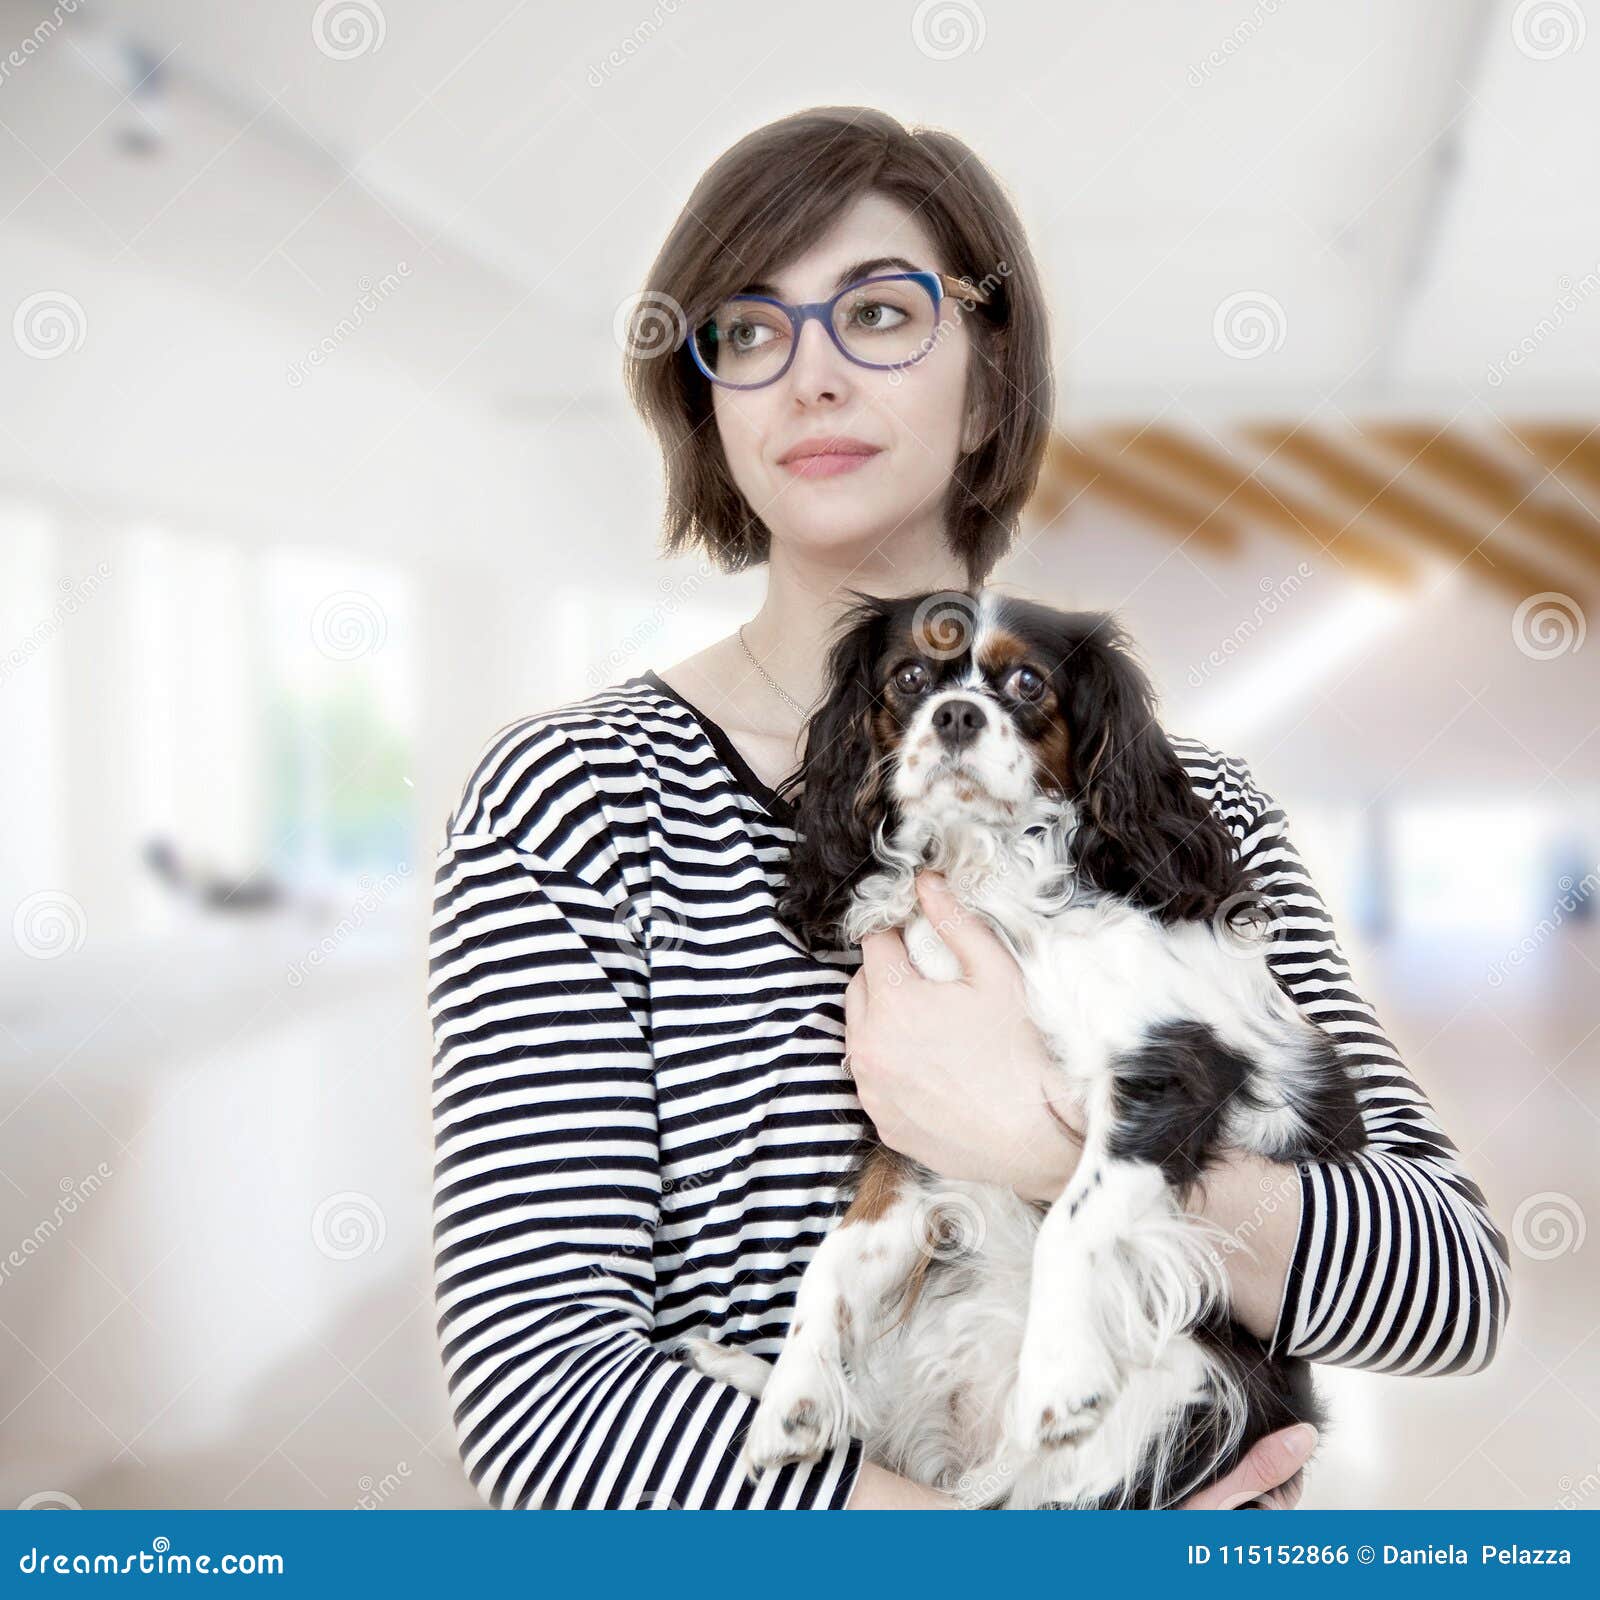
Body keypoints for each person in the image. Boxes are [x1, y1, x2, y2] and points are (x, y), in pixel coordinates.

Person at [427, 107, 1509, 1511]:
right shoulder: (574, 805)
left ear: (990, 387)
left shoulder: (1203, 812)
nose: (808, 376)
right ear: (709, 405)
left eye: (876, 313)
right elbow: (542, 1406)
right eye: (748, 333)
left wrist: (1063, 1144)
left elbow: (1448, 1284)